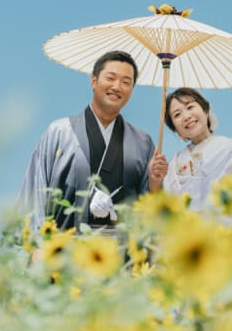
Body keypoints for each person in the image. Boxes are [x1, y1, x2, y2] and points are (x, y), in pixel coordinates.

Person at [17, 50, 167, 231]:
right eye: (110, 78)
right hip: (62, 250)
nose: (117, 87)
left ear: (131, 90)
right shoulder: (59, 132)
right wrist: (36, 245)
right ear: (93, 81)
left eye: (126, 82)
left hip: (123, 254)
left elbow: (151, 207)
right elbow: (35, 189)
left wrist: (154, 182)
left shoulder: (142, 142)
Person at [160, 88, 232, 213]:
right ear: (177, 131)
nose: (186, 116)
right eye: (177, 114)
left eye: (190, 107)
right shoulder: (173, 164)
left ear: (205, 111)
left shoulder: (229, 149)